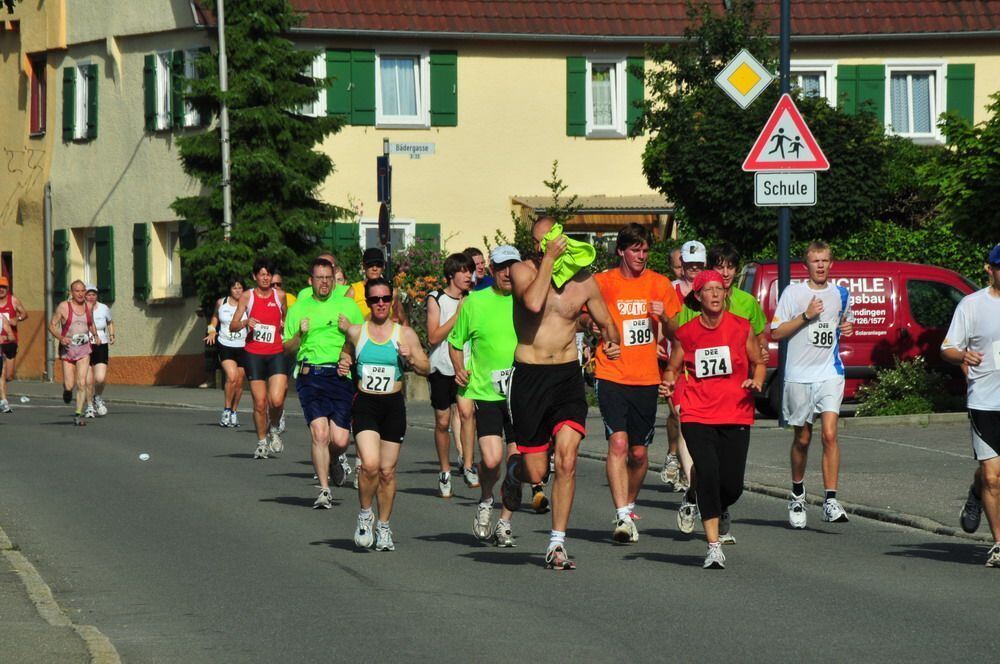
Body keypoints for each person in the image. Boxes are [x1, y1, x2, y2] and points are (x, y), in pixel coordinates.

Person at [503, 216, 621, 569]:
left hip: (566, 376)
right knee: (536, 471)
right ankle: (516, 473)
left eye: (556, 238)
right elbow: (535, 304)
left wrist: (611, 344)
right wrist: (549, 262)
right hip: (530, 376)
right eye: (544, 241)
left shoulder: (584, 281)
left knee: (568, 459)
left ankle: (557, 544)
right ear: (536, 245)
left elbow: (607, 323)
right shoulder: (522, 272)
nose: (551, 244)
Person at [660, 269, 765, 569]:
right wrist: (668, 382)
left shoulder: (741, 327)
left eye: (721, 289)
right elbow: (673, 367)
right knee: (707, 472)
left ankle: (701, 497)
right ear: (698, 295)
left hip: (735, 411)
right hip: (697, 413)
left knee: (732, 486)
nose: (717, 294)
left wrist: (756, 381)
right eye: (710, 289)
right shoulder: (688, 332)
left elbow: (758, 362)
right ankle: (713, 545)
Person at [592, 224, 680, 543]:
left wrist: (665, 318)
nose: (641, 256)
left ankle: (629, 505)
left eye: (645, 251)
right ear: (621, 251)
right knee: (617, 443)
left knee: (639, 454)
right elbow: (581, 316)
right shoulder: (603, 282)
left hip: (646, 378)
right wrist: (597, 332)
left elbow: (676, 334)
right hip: (612, 372)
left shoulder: (660, 284)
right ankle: (622, 515)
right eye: (635, 250)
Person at [340, 277, 430, 551]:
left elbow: (426, 367)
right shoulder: (357, 332)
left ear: (392, 301)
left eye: (385, 299)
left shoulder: (405, 334)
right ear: (368, 303)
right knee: (369, 465)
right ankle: (365, 514)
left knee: (388, 472)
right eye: (374, 299)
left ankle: (384, 526)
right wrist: (344, 362)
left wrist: (411, 359)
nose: (380, 304)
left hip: (393, 405)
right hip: (365, 402)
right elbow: (346, 353)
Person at [770, 241, 853, 528]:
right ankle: (797, 493)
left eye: (825, 260)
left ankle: (830, 499)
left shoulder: (841, 293)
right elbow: (776, 332)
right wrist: (806, 316)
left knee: (829, 434)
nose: (820, 265)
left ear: (832, 263)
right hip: (798, 375)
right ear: (806, 264)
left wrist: (847, 328)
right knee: (802, 439)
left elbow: (844, 323)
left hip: (829, 371)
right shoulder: (793, 293)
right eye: (815, 261)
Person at [449, 245, 524, 546]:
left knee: (518, 463)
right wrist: (459, 368)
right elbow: (456, 342)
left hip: (521, 394)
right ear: (492, 269)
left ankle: (504, 523)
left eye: (513, 267)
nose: (508, 273)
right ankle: (485, 500)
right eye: (503, 266)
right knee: (492, 461)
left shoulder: (528, 300)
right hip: (487, 392)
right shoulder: (474, 302)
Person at [284, 258, 364, 508]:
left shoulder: (347, 305)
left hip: (340, 376)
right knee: (320, 433)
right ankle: (325, 490)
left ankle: (333, 460)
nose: (325, 283)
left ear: (334, 279)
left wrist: (348, 350)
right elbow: (286, 347)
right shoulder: (299, 308)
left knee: (340, 440)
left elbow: (362, 338)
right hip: (311, 374)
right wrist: (300, 333)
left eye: (329, 278)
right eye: (320, 278)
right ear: (311, 280)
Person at [942, 244, 1000, 567]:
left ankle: (976, 492)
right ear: (988, 269)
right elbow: (947, 348)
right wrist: (962, 355)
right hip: (984, 402)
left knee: (992, 476)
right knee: (994, 476)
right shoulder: (971, 305)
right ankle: (999, 544)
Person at [426, 252, 478, 497]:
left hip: (466, 367)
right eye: (464, 271)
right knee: (443, 422)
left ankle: (468, 465)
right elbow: (433, 336)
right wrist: (458, 316)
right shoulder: (436, 299)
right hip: (440, 368)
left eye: (471, 271)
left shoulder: (474, 299)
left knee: (467, 413)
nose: (469, 275)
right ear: (451, 275)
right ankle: (444, 470)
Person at [230, 260, 289, 459]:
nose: (265, 278)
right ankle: (262, 441)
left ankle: (274, 428)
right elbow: (233, 325)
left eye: (268, 274)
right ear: (255, 276)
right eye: (261, 274)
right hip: (254, 353)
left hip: (275, 352)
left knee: (277, 399)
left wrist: (283, 326)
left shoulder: (280, 296)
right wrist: (247, 322)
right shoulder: (248, 296)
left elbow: (285, 318)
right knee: (260, 402)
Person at [660, 240, 706, 494]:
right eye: (689, 266)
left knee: (688, 418)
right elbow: (660, 320)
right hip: (674, 363)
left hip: (703, 367)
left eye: (699, 265)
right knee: (680, 414)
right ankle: (690, 478)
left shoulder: (711, 290)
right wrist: (657, 340)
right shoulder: (671, 290)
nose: (693, 270)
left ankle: (676, 456)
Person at [48, 280, 98, 426]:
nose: (81, 294)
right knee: (70, 385)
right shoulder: (64, 307)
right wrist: (61, 338)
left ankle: (78, 415)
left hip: (84, 349)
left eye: (83, 291)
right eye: (77, 291)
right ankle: (67, 391)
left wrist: (95, 335)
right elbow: (52, 325)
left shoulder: (89, 306)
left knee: (81, 382)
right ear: (71, 292)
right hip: (68, 350)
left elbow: (90, 323)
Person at [205, 277, 248, 428]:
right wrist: (212, 331)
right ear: (230, 289)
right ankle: (227, 410)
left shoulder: (248, 304)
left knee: (239, 381)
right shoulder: (221, 303)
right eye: (234, 288)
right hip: (225, 344)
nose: (237, 290)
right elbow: (215, 319)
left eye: (240, 288)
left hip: (243, 346)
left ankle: (235, 412)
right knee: (231, 377)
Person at [349, 248, 408, 324]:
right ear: (363, 266)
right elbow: (341, 317)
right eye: (370, 265)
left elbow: (404, 321)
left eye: (378, 265)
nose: (374, 268)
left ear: (383, 267)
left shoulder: (390, 292)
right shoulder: (353, 291)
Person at [84, 285, 114, 417]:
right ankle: (89, 406)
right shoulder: (80, 309)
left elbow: (110, 322)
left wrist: (112, 334)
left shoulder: (103, 308)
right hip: (85, 344)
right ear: (84, 296)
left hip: (101, 343)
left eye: (94, 294)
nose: (91, 297)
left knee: (100, 378)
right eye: (89, 294)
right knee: (88, 380)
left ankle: (98, 397)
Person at [0, 276, 27, 413]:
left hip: (11, 341)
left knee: (9, 375)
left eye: (3, 287)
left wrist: (17, 318)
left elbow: (24, 313)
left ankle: (2, 393)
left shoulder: (13, 300)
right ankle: (3, 400)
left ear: (7, 288)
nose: (1, 290)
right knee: (1, 371)